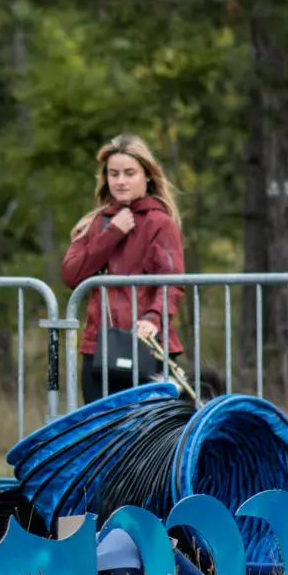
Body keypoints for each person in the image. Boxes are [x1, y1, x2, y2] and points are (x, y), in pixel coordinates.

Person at [61, 134, 186, 402]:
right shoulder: (96, 222)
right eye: (113, 173)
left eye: (130, 173)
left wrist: (153, 318)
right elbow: (71, 274)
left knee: (149, 438)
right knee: (100, 433)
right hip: (100, 347)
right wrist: (113, 233)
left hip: (149, 346)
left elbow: (172, 282)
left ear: (147, 175)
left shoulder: (160, 223)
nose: (120, 181)